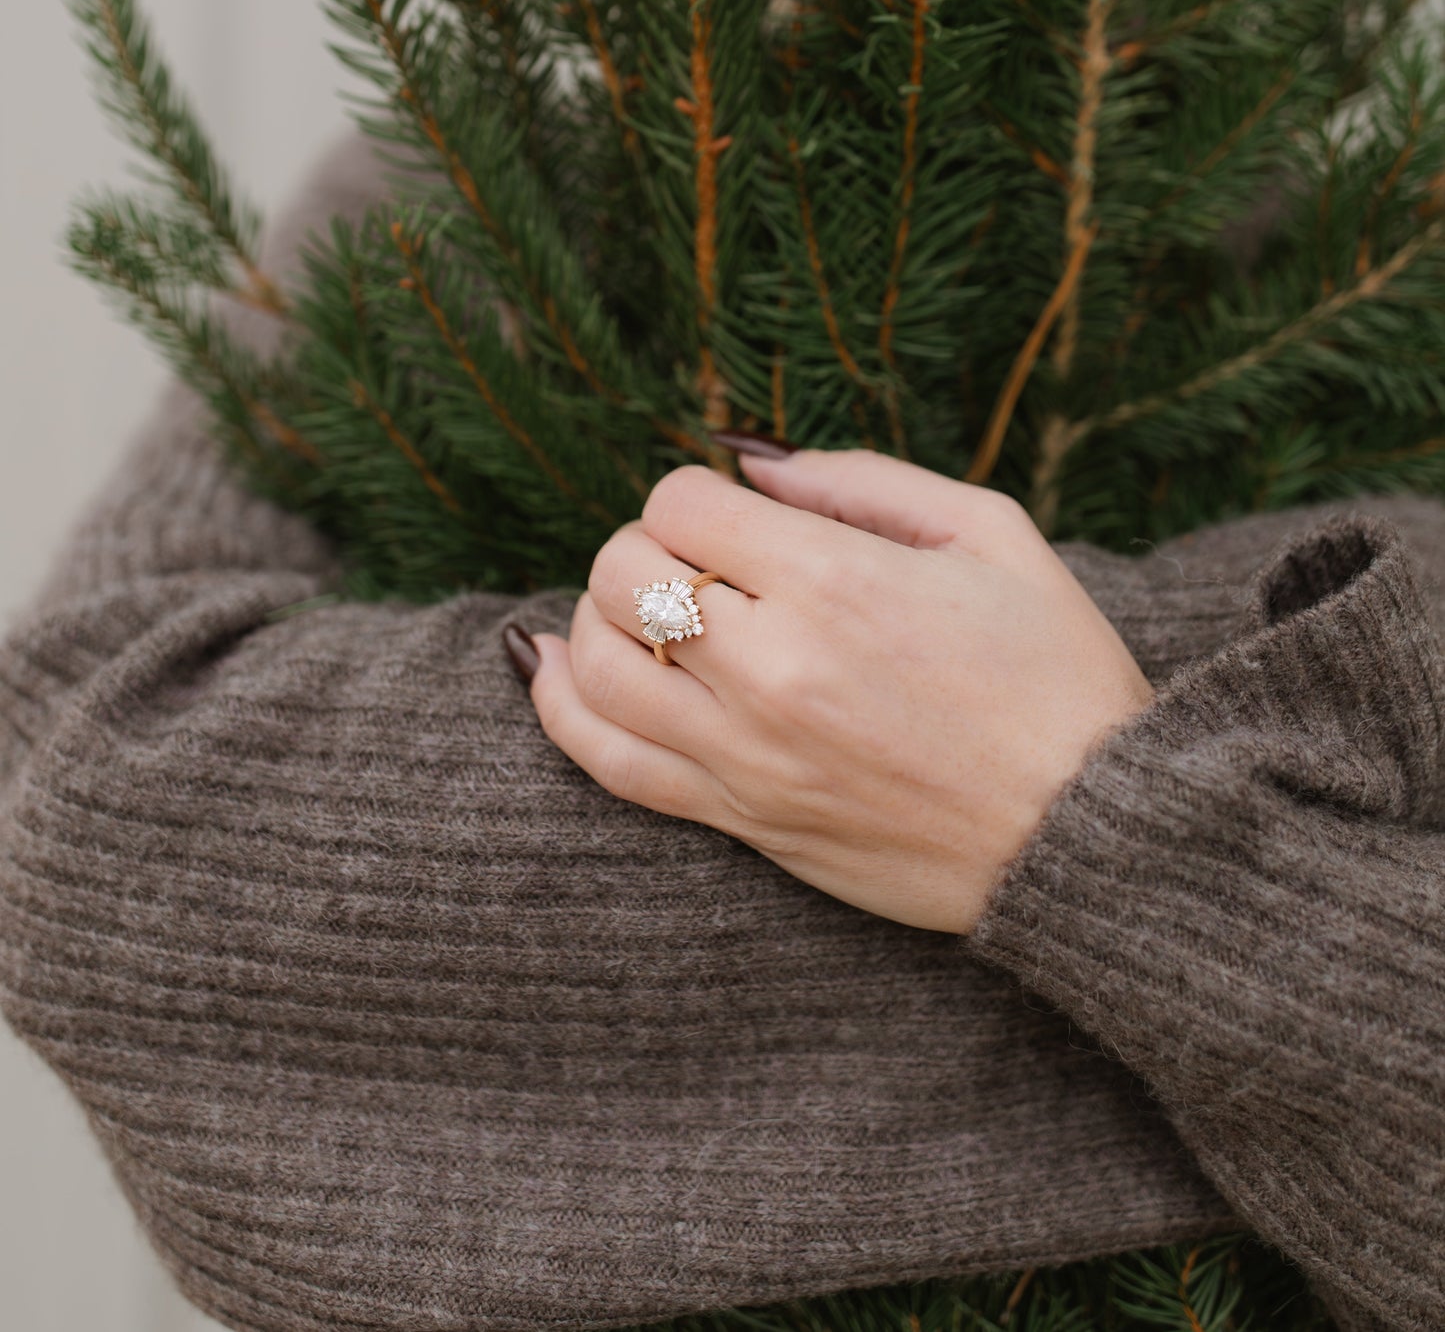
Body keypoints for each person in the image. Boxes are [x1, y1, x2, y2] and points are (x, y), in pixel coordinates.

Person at [0, 130, 1439, 1332]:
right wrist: (1294, 741)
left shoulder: (1390, 231)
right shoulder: (465, 181)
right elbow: (80, 815)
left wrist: (1062, 812)